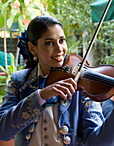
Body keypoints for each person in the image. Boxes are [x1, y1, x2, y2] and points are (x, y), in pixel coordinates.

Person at [0, 15, 114, 146]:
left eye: (62, 40)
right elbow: (3, 131)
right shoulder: (19, 81)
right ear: (33, 48)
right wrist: (41, 95)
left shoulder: (80, 85)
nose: (59, 49)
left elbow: (98, 142)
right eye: (49, 43)